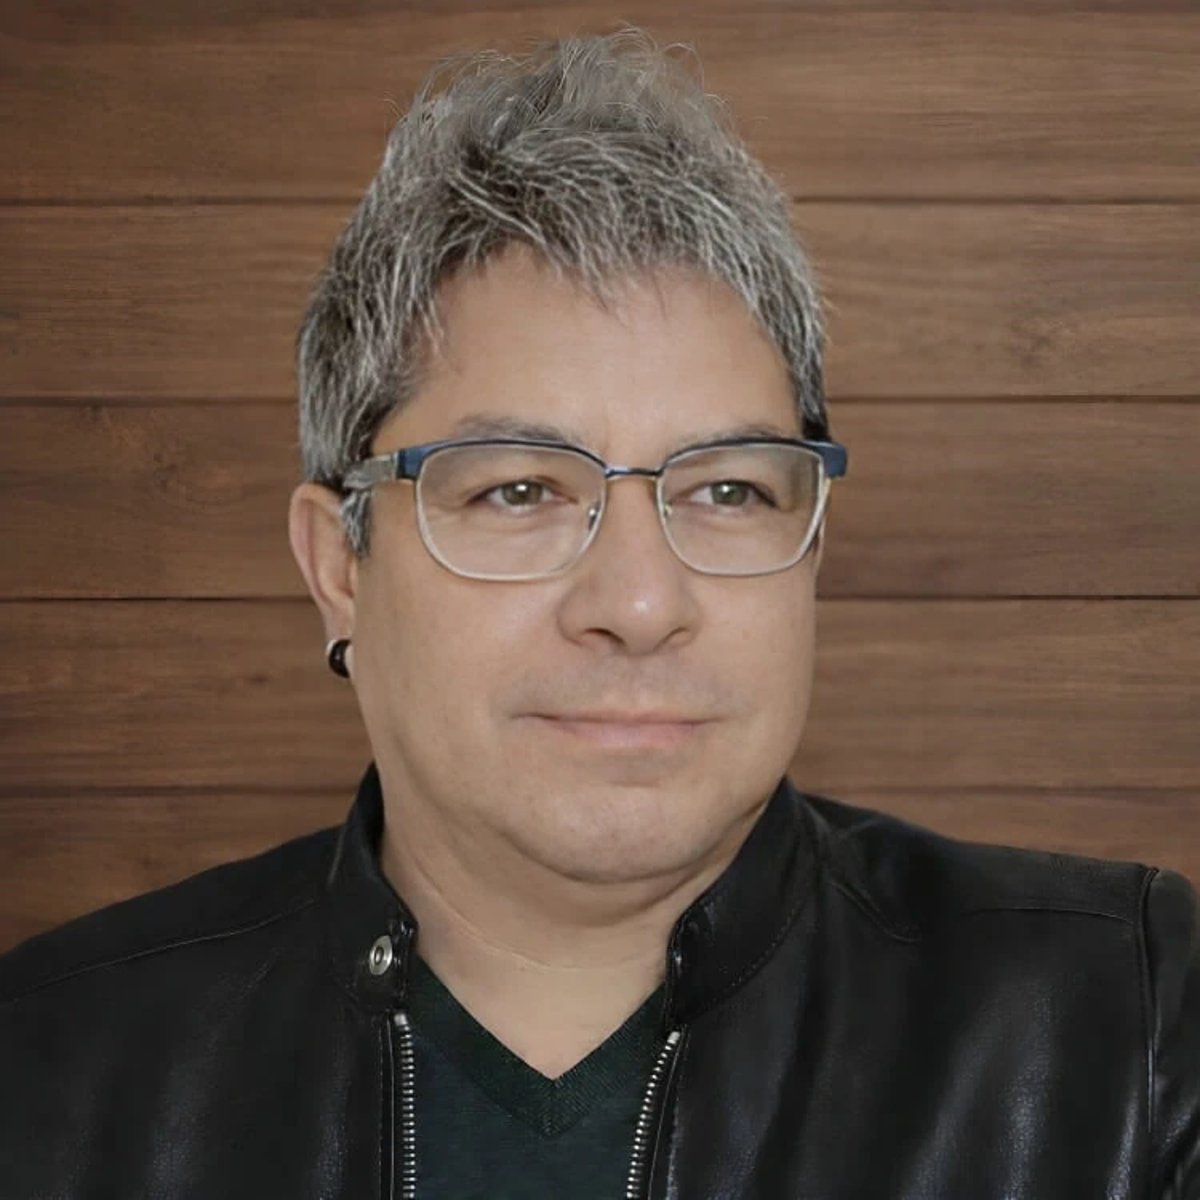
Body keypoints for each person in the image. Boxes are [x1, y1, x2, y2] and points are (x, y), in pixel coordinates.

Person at [1, 29, 1196, 1200]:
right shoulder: (52, 1067)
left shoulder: (1127, 1024)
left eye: (727, 491)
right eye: (519, 491)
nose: (639, 603)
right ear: (340, 569)